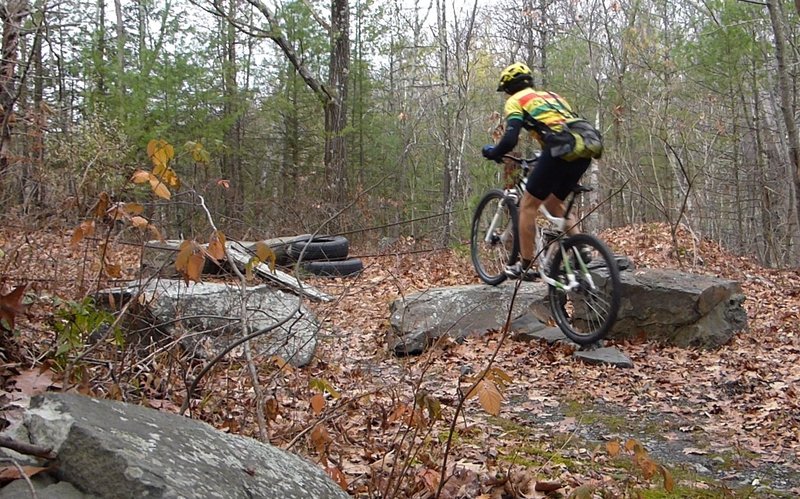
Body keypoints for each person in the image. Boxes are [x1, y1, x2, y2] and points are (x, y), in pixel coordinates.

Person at [481, 62, 592, 280]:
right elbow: (561, 127)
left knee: (528, 204)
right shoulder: (553, 97)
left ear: (509, 89)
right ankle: (582, 249)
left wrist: (494, 151)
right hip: (583, 151)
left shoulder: (516, 101)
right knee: (553, 203)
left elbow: (510, 139)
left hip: (558, 151)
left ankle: (525, 264)